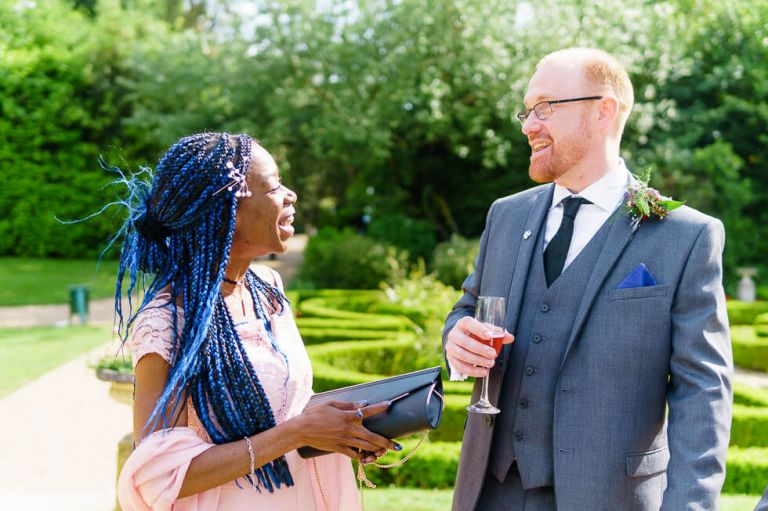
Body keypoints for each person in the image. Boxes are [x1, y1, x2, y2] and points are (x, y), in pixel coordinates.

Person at [443, 48, 732, 510]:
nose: (528, 125)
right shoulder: (505, 215)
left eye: (544, 108)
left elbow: (704, 393)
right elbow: (467, 308)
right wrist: (456, 337)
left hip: (611, 497)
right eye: (526, 111)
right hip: (489, 492)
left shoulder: (687, 236)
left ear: (604, 110)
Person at [114, 132, 399, 511]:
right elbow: (158, 477)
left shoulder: (268, 286)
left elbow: (286, 408)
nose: (290, 195)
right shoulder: (167, 323)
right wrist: (297, 432)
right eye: (275, 185)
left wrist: (338, 428)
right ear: (226, 211)